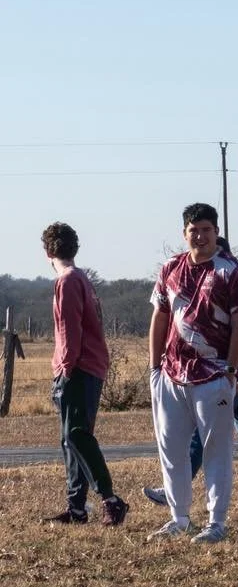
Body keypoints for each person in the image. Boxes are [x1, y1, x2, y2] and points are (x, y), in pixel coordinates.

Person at [142, 239, 238, 512]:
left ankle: (174, 492)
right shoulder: (202, 278)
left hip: (223, 374)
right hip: (221, 373)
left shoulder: (234, 283)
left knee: (204, 435)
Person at [147, 203, 238, 543]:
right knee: (172, 448)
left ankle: (216, 522)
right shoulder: (170, 269)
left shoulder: (232, 271)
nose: (200, 235)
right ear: (185, 233)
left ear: (216, 232)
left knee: (216, 450)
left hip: (213, 375)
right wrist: (154, 366)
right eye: (194, 230)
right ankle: (179, 518)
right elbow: (160, 316)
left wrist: (232, 369)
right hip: (171, 373)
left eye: (207, 229)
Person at [40, 223, 128, 527]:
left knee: (76, 434)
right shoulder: (83, 279)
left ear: (47, 251)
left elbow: (69, 330)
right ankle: (76, 508)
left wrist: (65, 367)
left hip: (78, 368)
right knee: (71, 439)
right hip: (92, 365)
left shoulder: (66, 282)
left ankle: (110, 499)